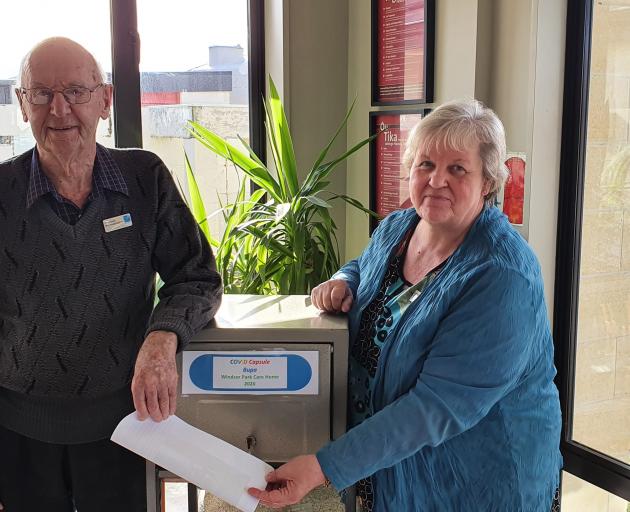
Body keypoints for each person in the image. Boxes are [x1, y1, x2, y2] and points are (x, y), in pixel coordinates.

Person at [249, 99, 562, 511]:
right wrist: (344, 280)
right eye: (426, 165)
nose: (436, 181)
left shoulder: (503, 276)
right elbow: (365, 265)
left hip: (480, 481)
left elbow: (437, 406)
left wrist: (323, 467)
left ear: (487, 182)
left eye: (457, 169)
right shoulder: (400, 226)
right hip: (396, 468)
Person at [0, 37, 222, 511]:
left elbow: (198, 277)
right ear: (22, 104)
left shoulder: (144, 178)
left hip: (126, 428)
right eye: (40, 93)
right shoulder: (2, 191)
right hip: (18, 435)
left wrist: (162, 338)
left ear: (104, 99)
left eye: (76, 91)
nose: (59, 109)